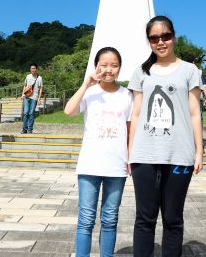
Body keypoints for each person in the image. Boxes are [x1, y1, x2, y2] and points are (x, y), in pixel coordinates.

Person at [128, 16, 203, 257]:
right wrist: (130, 152)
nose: (161, 42)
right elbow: (136, 113)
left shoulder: (190, 71)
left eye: (165, 36)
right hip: (144, 154)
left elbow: (194, 113)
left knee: (172, 218)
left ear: (174, 36)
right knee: (145, 218)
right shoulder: (140, 72)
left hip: (180, 154)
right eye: (154, 38)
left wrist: (198, 151)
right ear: (149, 41)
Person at [64, 47, 133, 257]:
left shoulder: (127, 95)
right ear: (96, 66)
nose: (109, 69)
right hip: (90, 164)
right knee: (86, 219)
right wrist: (86, 84)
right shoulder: (90, 93)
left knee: (110, 219)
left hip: (116, 165)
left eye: (114, 65)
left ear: (120, 68)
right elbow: (68, 111)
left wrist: (130, 159)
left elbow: (130, 130)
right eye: (103, 65)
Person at [21, 63, 43, 134]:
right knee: (25, 113)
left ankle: (30, 129)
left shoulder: (39, 78)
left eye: (34, 68)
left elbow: (40, 89)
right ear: (30, 69)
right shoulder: (28, 76)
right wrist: (22, 94)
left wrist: (39, 98)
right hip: (26, 97)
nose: (33, 70)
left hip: (34, 97)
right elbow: (25, 86)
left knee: (31, 113)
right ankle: (24, 129)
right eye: (31, 68)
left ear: (36, 69)